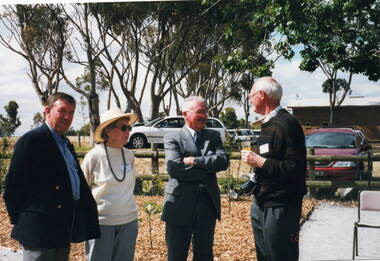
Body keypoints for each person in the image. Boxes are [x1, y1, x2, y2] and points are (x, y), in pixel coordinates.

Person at [3, 92, 100, 261]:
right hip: (38, 230)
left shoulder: (66, 143)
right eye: (62, 111)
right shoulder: (32, 140)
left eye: (71, 112)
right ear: (47, 111)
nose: (67, 116)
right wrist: (17, 217)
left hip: (62, 228)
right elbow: (12, 185)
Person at [241, 77, 307, 261]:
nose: (250, 99)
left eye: (251, 95)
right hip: (262, 202)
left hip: (281, 206)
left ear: (261, 95)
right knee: (265, 256)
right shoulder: (267, 124)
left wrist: (260, 161)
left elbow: (295, 168)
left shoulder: (287, 123)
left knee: (281, 256)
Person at [161, 96, 229, 261]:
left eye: (205, 112)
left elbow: (223, 161)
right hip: (179, 205)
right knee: (176, 255)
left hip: (207, 205)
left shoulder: (213, 136)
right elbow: (174, 169)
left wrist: (195, 160)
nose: (205, 115)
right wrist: (207, 167)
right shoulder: (172, 137)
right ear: (185, 113)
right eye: (200, 111)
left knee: (204, 255)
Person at [81, 108, 139, 261]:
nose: (128, 132)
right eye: (123, 128)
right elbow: (82, 191)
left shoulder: (129, 155)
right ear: (108, 130)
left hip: (129, 222)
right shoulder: (93, 156)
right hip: (101, 224)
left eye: (129, 128)